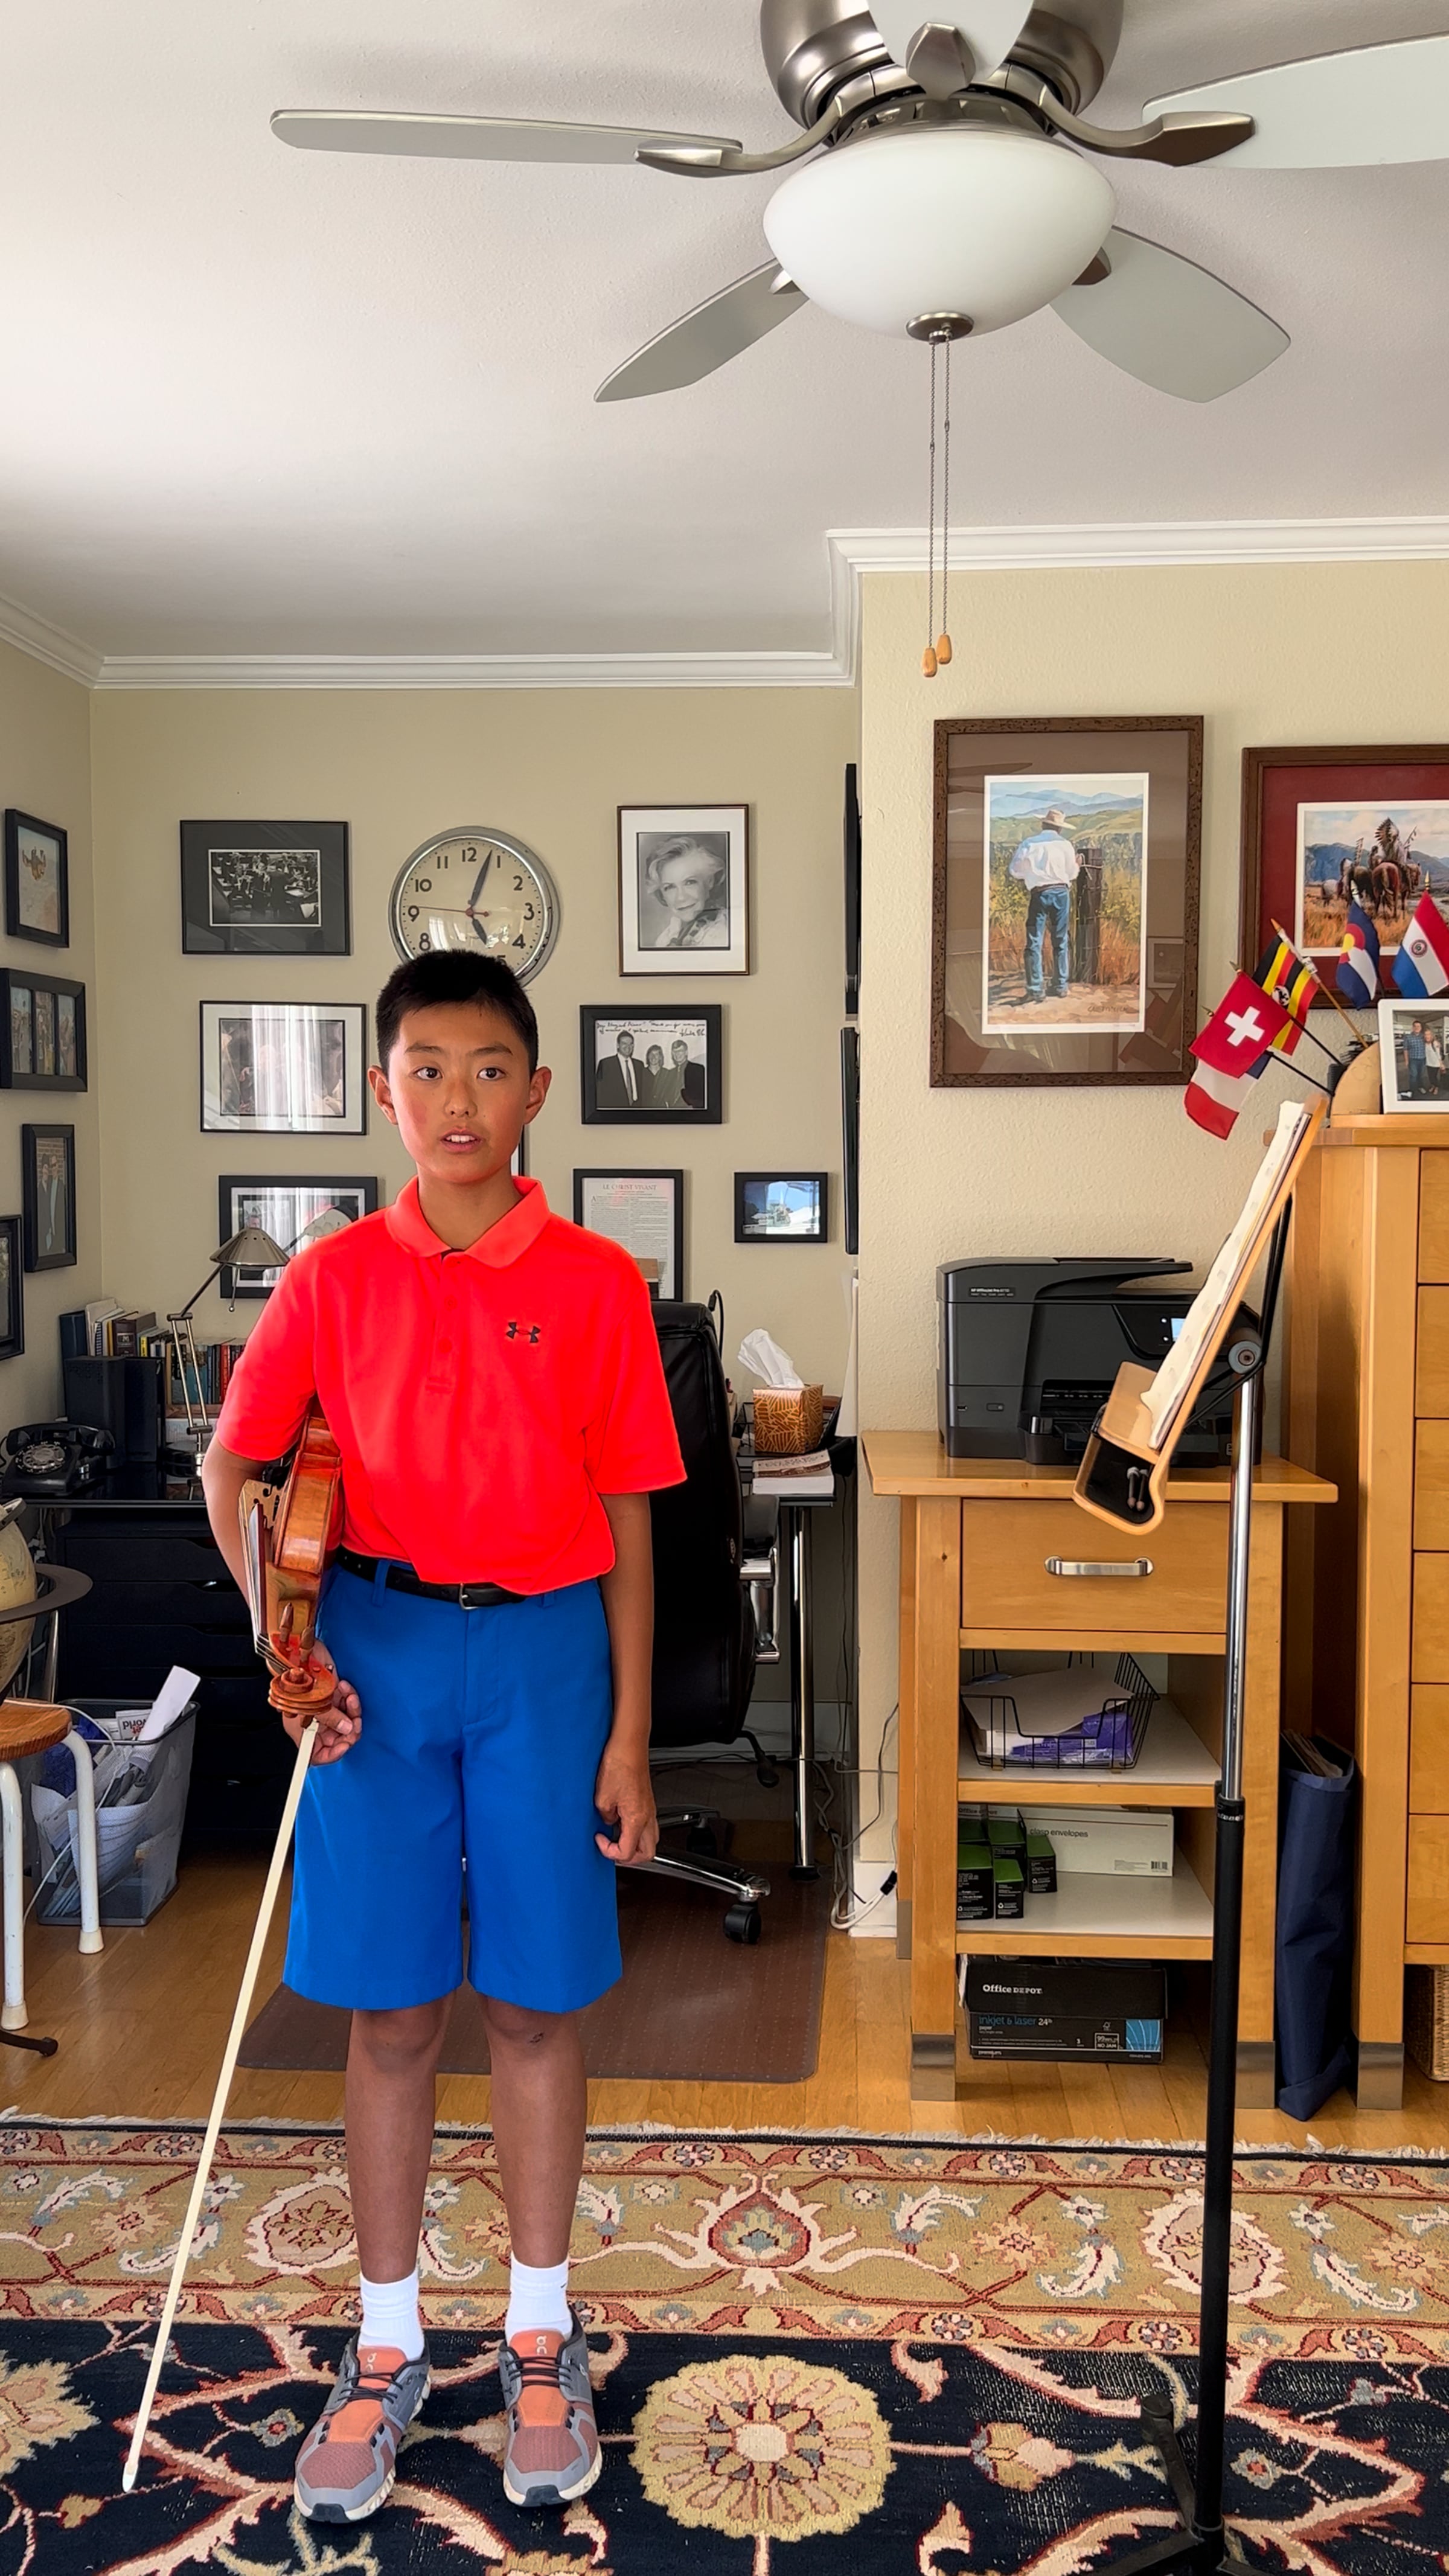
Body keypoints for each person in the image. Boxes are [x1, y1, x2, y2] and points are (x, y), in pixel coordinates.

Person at [200, 950, 685, 2525]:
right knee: (394, 2010)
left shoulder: (599, 1282)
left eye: (487, 1068)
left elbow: (631, 1519)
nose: (457, 1097)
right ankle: (388, 2338)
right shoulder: (331, 1275)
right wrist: (290, 1648)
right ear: (384, 1090)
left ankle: (541, 2333)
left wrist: (629, 1732)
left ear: (535, 1091)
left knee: (537, 2004)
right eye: (426, 1067)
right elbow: (234, 1469)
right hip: (378, 1659)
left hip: (545, 1655)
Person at [1007, 805, 1080, 1004]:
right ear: (1060, 828)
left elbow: (1015, 870)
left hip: (1039, 894)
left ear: (1043, 824)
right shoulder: (1066, 845)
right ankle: (1060, 985)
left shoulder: (1029, 844)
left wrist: (1031, 874)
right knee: (1060, 939)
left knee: (1034, 941)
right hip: (1061, 893)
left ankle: (1036, 988)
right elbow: (1072, 873)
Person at [642, 834, 729, 949]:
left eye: (690, 882)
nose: (681, 897)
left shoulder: (723, 935)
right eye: (670, 887)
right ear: (662, 894)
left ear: (710, 881)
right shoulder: (667, 937)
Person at [594, 1026, 643, 1108]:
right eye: (624, 1043)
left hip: (637, 1111)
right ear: (618, 1045)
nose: (628, 1047)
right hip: (614, 1111)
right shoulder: (606, 1064)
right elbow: (599, 1094)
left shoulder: (639, 1065)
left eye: (631, 1044)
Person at [670, 1034, 706, 1110]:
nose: (677, 1054)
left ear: (686, 1052)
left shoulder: (698, 1069)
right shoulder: (670, 1073)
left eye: (680, 1051)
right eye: (675, 1052)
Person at [1405, 1017, 1428, 1099]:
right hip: (1413, 1060)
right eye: (1415, 1026)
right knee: (1413, 1075)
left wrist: (1438, 1044)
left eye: (1419, 1026)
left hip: (1423, 1059)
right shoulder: (1408, 1037)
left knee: (1421, 1075)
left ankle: (1420, 1087)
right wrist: (1407, 1061)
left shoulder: (1424, 1037)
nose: (1417, 1028)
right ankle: (1412, 1090)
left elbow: (1431, 1042)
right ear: (1413, 1027)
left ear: (1421, 1028)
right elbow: (1405, 1049)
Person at [642, 1041, 669, 1106]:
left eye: (657, 1054)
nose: (653, 1057)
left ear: (660, 1057)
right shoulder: (642, 1073)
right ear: (648, 1056)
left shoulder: (667, 1074)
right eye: (651, 1054)